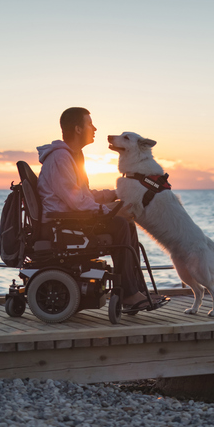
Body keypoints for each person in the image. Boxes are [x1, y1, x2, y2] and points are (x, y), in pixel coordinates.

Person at [36, 107, 155, 310]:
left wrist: (115, 193)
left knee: (125, 222)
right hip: (62, 224)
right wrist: (111, 210)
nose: (95, 128)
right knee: (120, 223)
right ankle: (128, 294)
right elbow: (78, 203)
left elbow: (82, 195)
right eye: (90, 124)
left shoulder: (71, 156)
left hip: (71, 219)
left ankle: (135, 289)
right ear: (78, 129)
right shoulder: (61, 158)